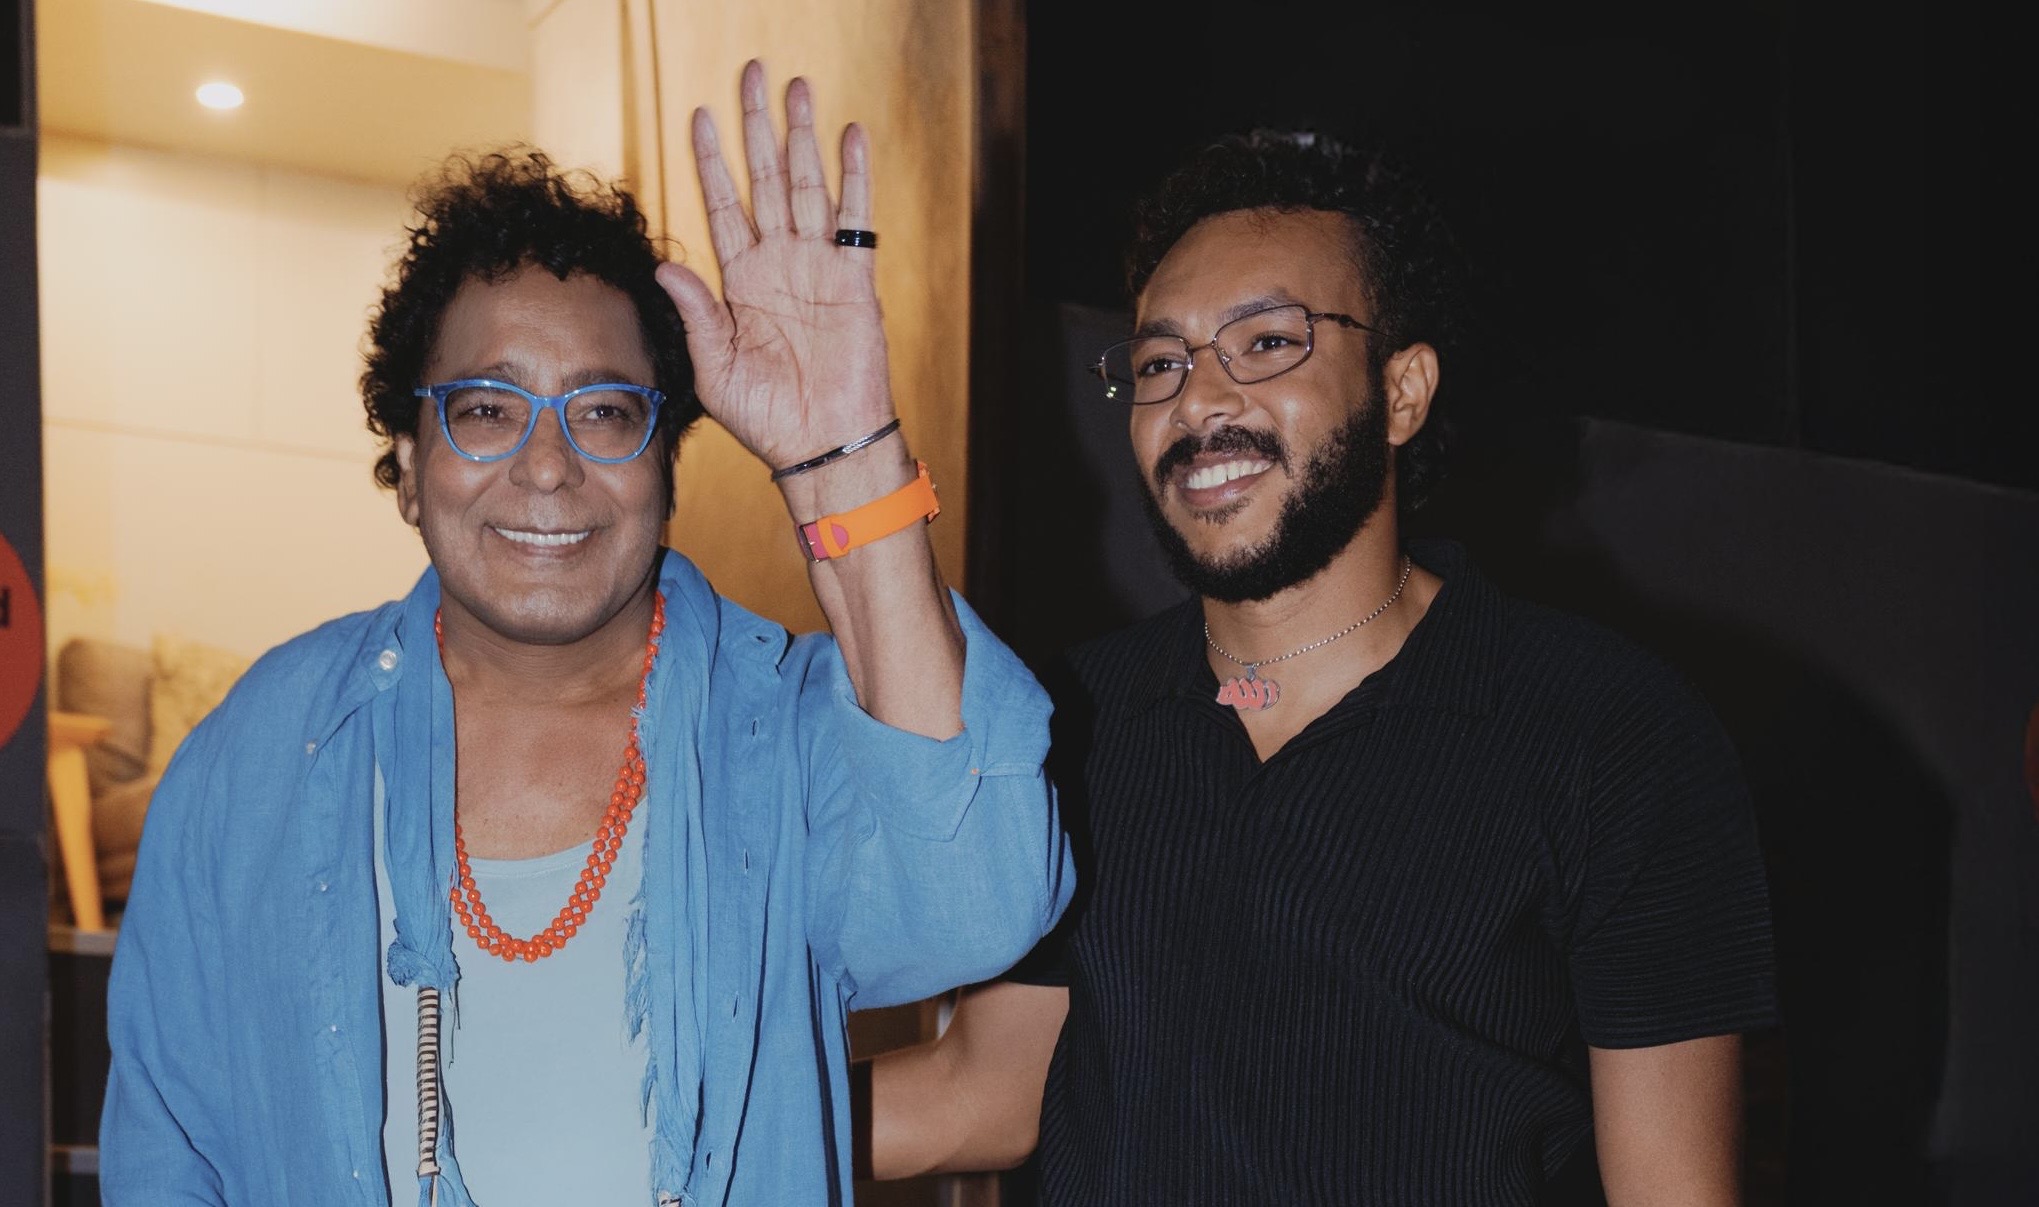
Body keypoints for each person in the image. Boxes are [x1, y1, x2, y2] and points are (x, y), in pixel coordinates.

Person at [100, 63, 1072, 1207]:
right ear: (407, 463)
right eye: (487, 408)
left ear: (666, 466)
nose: (548, 465)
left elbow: (978, 901)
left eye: (604, 412)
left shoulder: (786, 732)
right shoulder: (269, 745)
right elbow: (168, 1149)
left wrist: (842, 452)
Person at [865, 131, 1775, 1205]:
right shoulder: (1071, 720)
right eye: (1158, 363)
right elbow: (984, 1090)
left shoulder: (1609, 732)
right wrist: (684, 1110)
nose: (1198, 402)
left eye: (1266, 342)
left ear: (1402, 391)